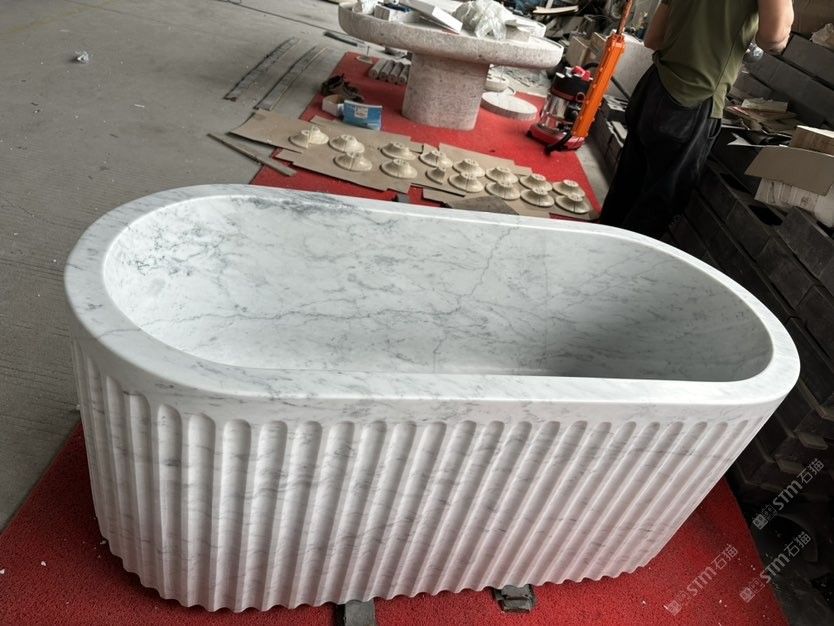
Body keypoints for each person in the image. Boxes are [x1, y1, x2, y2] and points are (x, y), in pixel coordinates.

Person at [599, 0, 794, 238]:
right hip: (693, 99)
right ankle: (624, 261)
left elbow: (653, 39)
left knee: (625, 187)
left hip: (653, 89)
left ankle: (596, 251)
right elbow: (773, 37)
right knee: (655, 207)